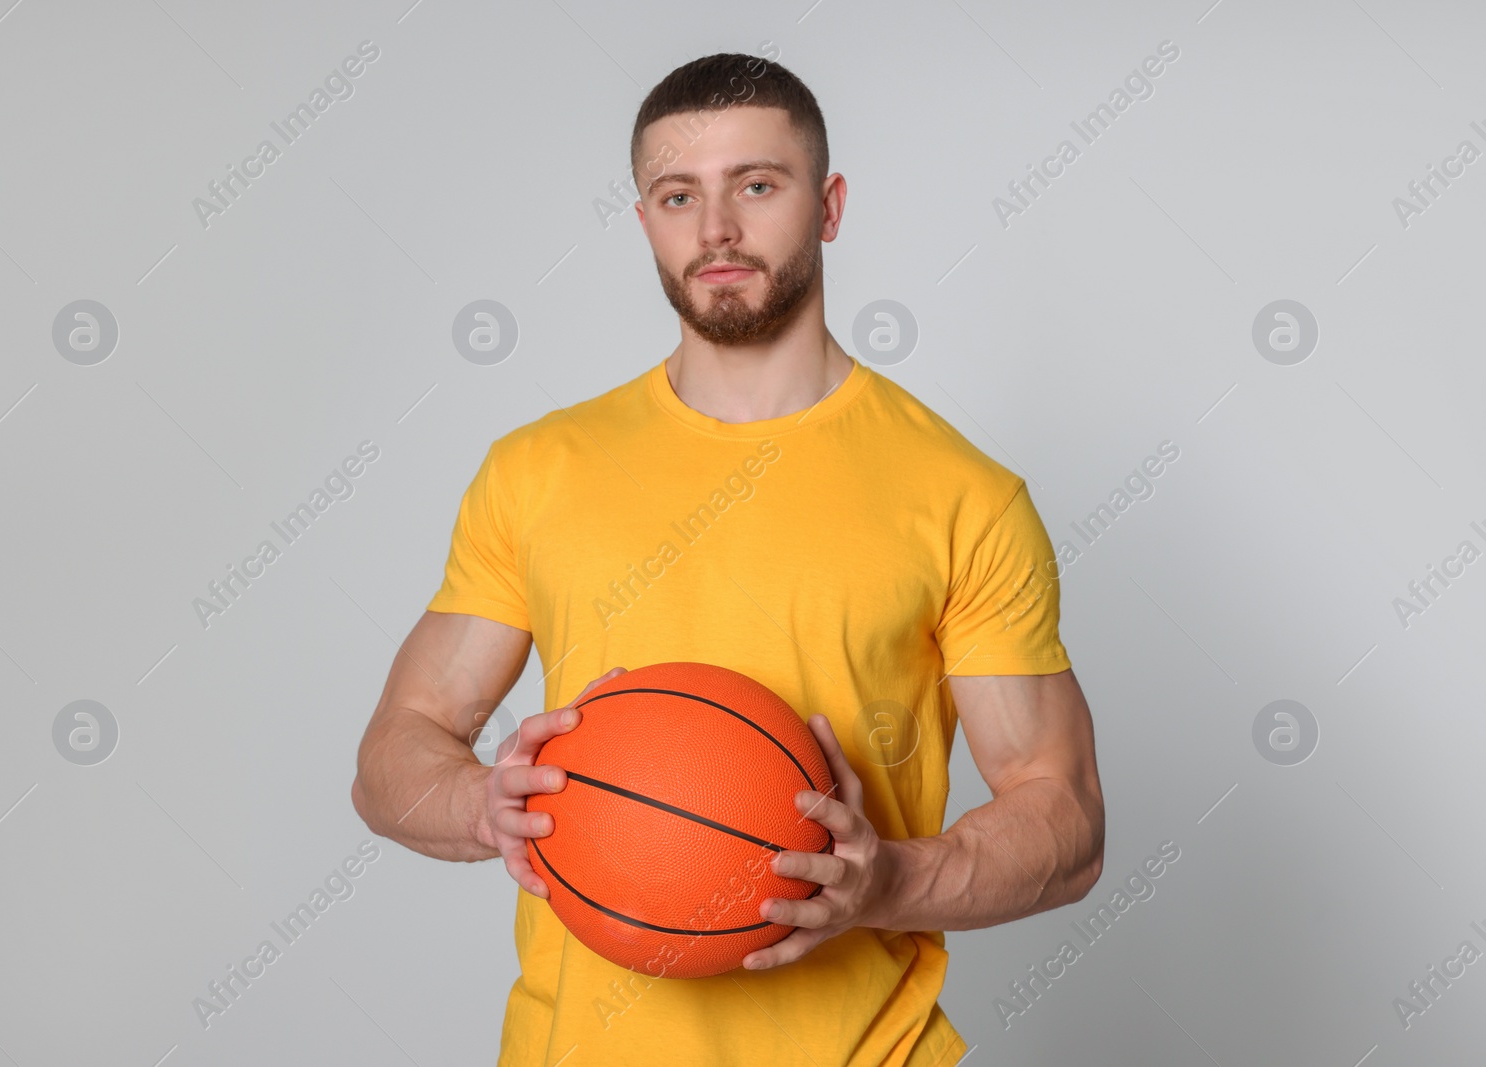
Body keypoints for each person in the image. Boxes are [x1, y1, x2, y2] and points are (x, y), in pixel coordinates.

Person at [352, 51, 1105, 1067]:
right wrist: (479, 804)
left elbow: (1060, 814)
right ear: (645, 221)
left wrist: (886, 881)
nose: (715, 229)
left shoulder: (962, 494)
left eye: (756, 184)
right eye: (677, 194)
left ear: (828, 205)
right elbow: (396, 748)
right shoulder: (537, 469)